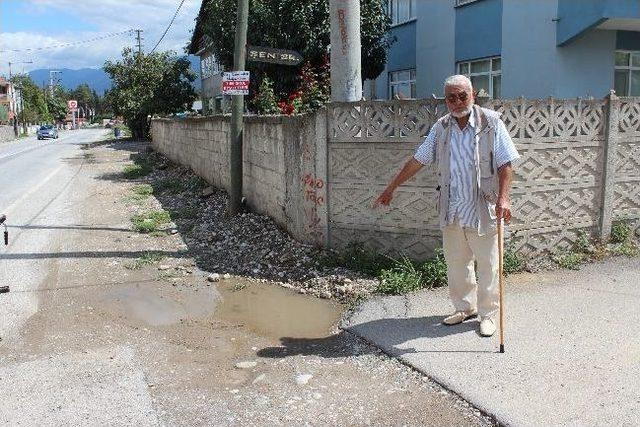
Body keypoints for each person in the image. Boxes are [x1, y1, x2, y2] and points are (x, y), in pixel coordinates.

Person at [374, 75, 520, 337]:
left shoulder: (491, 122)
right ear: (446, 101)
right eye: (451, 97)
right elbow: (418, 160)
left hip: (481, 207)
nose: (457, 102)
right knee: (457, 262)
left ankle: (488, 315)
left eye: (462, 95)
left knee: (488, 265)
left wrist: (504, 197)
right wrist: (391, 188)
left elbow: (505, 163)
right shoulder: (441, 128)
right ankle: (465, 308)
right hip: (451, 208)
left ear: (473, 94)